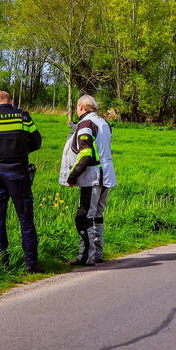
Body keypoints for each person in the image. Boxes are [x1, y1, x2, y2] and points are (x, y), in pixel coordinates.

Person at [0, 91, 43, 273]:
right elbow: (37, 142)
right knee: (25, 219)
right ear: (10, 102)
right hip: (18, 173)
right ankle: (31, 264)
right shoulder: (23, 117)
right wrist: (21, 151)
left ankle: (1, 263)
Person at [59, 95, 116, 266]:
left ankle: (86, 256)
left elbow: (85, 153)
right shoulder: (103, 123)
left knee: (83, 217)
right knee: (97, 215)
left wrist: (73, 175)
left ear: (82, 107)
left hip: (91, 176)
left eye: (77, 108)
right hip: (106, 174)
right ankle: (97, 253)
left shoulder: (85, 124)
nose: (77, 111)